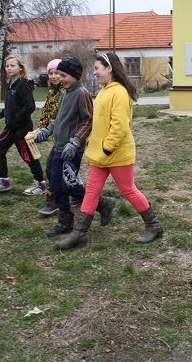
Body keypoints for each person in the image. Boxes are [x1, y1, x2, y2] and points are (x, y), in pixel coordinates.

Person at [54, 53, 163, 250]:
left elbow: (120, 127)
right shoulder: (104, 91)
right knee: (91, 192)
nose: (94, 73)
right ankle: (79, 234)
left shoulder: (119, 92)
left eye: (97, 68)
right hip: (100, 156)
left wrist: (106, 148)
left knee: (128, 190)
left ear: (109, 68)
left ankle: (154, 226)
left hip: (116, 154)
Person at [28, 57, 109, 242]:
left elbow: (88, 120)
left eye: (63, 75)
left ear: (74, 75)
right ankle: (65, 221)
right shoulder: (66, 92)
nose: (59, 77)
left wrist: (75, 142)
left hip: (71, 150)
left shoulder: (81, 93)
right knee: (56, 185)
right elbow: (60, 119)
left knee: (69, 185)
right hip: (58, 148)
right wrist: (47, 130)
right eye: (57, 74)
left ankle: (103, 203)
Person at [0, 54, 46, 194]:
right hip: (10, 128)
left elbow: (30, 106)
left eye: (12, 65)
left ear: (20, 68)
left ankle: (41, 185)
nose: (9, 68)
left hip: (22, 130)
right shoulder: (11, 84)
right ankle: (4, 181)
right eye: (7, 66)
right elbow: (12, 105)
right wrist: (1, 114)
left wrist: (16, 118)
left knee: (28, 157)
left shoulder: (23, 84)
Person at [32, 58, 65, 215]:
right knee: (67, 171)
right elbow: (47, 113)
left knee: (53, 168)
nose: (54, 76)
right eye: (50, 73)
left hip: (68, 137)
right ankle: (77, 195)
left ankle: (54, 200)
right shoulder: (53, 91)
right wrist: (39, 129)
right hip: (60, 135)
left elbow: (59, 117)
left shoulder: (66, 91)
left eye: (57, 73)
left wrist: (46, 131)